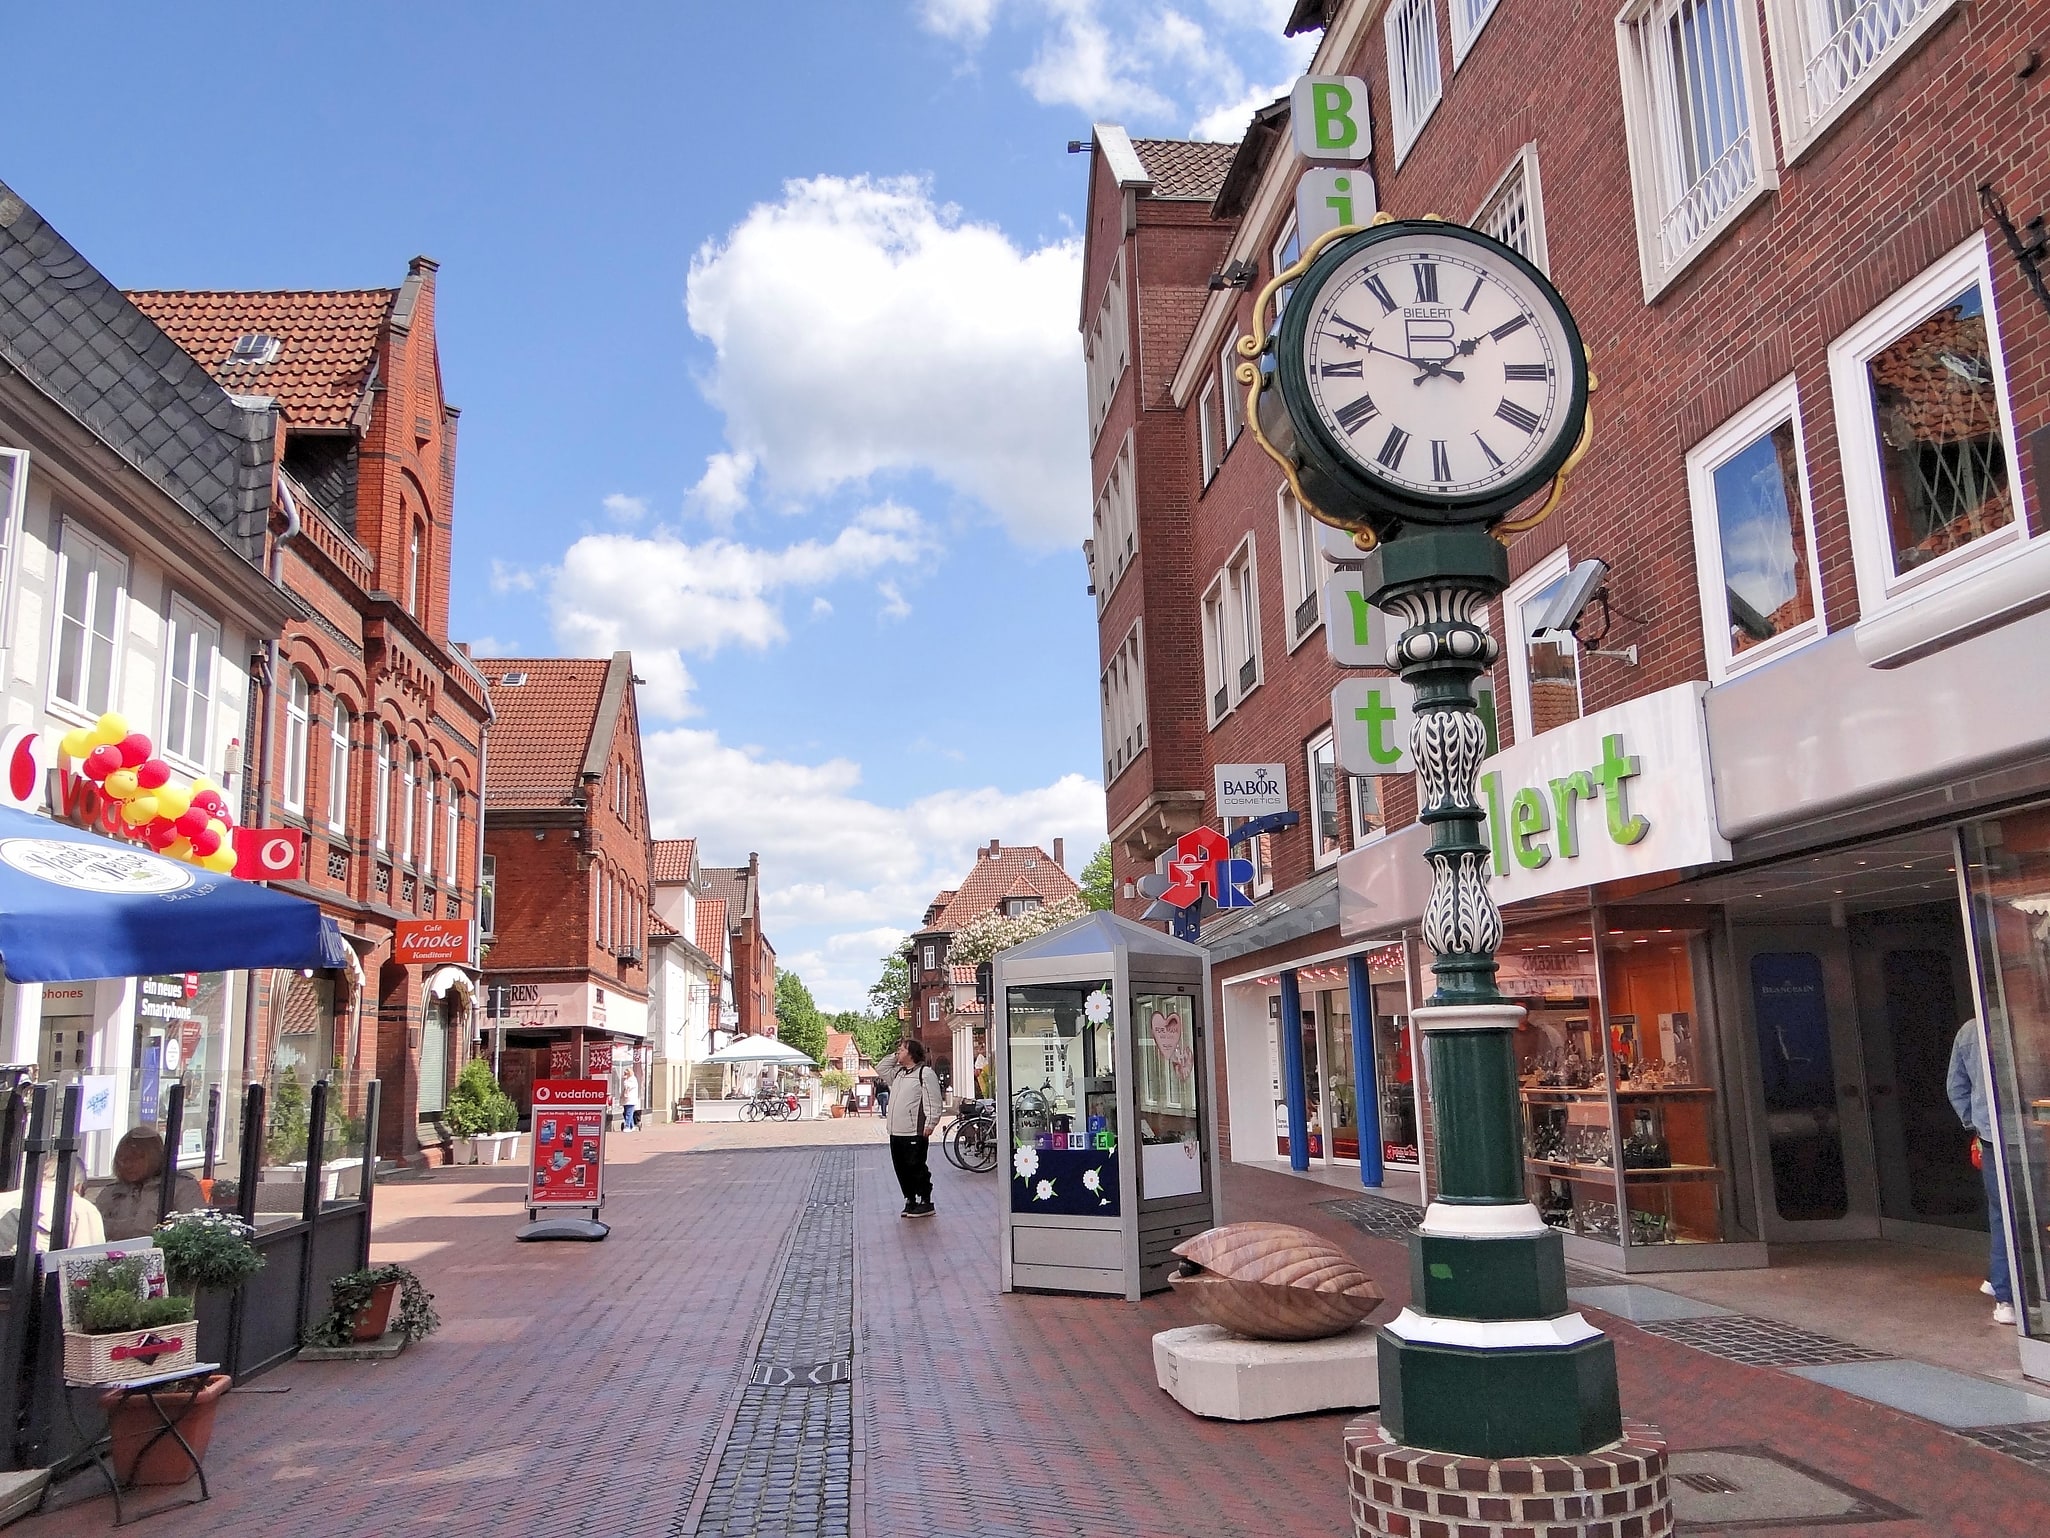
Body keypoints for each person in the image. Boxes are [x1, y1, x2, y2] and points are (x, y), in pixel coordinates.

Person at [1947, 1017, 2015, 1326]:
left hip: (1992, 1136)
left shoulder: (1971, 1030)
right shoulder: (2029, 1022)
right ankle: (2006, 1291)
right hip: (2032, 1133)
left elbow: (1956, 1086)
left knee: (2003, 1214)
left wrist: (1975, 1124)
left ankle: (2002, 1288)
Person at [93, 1126, 206, 1241]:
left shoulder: (179, 1187)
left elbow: (194, 1234)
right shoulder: (110, 1192)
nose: (127, 1164)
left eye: (136, 1158)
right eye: (122, 1159)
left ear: (154, 1157)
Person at [876, 1038, 943, 1218]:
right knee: (901, 1167)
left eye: (903, 1049)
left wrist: (931, 1122)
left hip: (914, 1130)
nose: (899, 1051)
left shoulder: (925, 1073)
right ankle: (910, 1198)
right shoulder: (898, 1073)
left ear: (912, 1053)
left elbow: (933, 1100)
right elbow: (880, 1068)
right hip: (896, 1130)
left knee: (916, 1166)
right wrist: (895, 1056)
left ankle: (925, 1200)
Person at [0, 1157, 106, 1254]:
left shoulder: (4, 1199)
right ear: (80, 1187)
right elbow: (88, 1262)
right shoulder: (81, 1208)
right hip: (40, 1273)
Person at [619, 1064, 642, 1132]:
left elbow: (627, 1086)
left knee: (629, 1113)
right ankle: (632, 1126)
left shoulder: (632, 1080)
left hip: (630, 1099)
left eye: (626, 1073)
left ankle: (627, 1126)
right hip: (626, 1099)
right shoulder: (628, 1080)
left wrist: (625, 1080)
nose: (624, 1075)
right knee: (626, 1112)